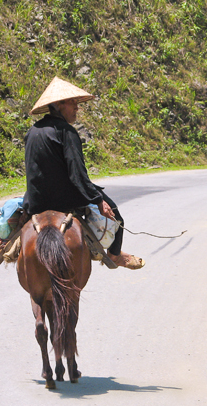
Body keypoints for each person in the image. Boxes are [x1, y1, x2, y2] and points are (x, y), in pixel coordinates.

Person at [22, 76, 144, 270]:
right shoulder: (66, 132)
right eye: (73, 103)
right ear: (59, 104)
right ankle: (114, 255)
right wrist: (97, 199)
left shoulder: (32, 131)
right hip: (63, 200)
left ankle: (8, 244)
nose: (77, 108)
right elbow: (77, 175)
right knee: (116, 216)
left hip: (35, 201)